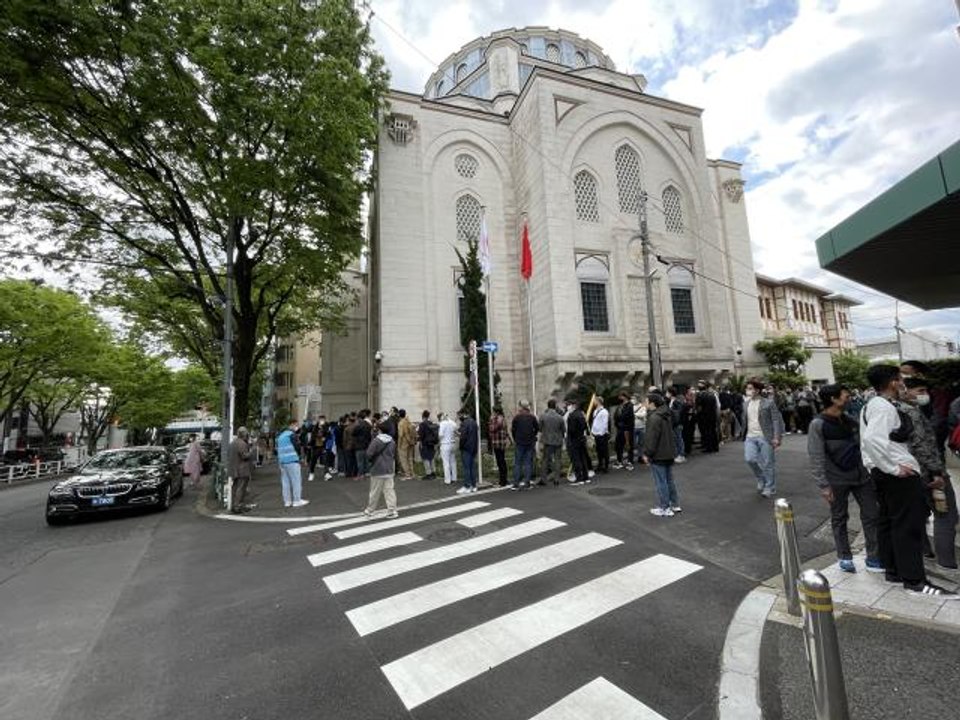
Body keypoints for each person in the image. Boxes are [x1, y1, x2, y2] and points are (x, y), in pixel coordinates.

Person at [861, 365, 956, 598]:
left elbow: (869, 443)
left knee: (891, 523)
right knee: (908, 527)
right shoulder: (883, 407)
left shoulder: (874, 405)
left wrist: (881, 467)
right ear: (893, 382)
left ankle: (894, 571)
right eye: (900, 378)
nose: (903, 382)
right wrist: (892, 467)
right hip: (897, 476)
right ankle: (915, 581)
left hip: (885, 474)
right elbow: (872, 440)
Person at [807, 385, 882, 573]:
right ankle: (844, 556)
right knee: (840, 517)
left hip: (861, 476)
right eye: (845, 395)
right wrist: (823, 485)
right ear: (834, 399)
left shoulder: (850, 420)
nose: (849, 397)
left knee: (872, 514)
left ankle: (874, 557)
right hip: (836, 480)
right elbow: (816, 456)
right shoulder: (818, 424)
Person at [900, 377, 958, 572]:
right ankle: (947, 563)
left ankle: (926, 552)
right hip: (930, 474)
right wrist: (936, 472)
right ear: (904, 391)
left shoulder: (898, 411)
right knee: (946, 515)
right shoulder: (912, 414)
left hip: (913, 473)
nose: (924, 395)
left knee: (922, 513)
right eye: (920, 390)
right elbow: (922, 446)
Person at [742, 378, 784, 498]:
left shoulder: (768, 403)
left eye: (750, 388)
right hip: (750, 437)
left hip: (766, 437)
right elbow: (745, 420)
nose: (748, 390)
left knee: (768, 463)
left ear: (757, 390)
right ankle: (761, 478)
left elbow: (776, 420)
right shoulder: (746, 404)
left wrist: (777, 437)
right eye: (747, 388)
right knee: (750, 459)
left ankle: (770, 487)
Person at [642, 393, 680, 517]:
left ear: (652, 403)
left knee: (661, 481)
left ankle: (665, 507)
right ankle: (674, 504)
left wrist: (647, 453)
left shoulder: (654, 417)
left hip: (659, 453)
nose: (645, 403)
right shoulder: (666, 414)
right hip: (669, 451)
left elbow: (651, 438)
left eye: (646, 401)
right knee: (669, 480)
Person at [363, 422, 398, 518]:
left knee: (375, 491)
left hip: (377, 469)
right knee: (389, 490)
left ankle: (370, 510)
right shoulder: (392, 441)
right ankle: (392, 510)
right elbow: (394, 454)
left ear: (380, 430)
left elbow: (369, 454)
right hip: (389, 468)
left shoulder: (376, 441)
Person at [276, 420, 308, 508]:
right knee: (296, 481)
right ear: (292, 425)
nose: (297, 427)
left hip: (282, 462)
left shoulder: (280, 436)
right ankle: (297, 500)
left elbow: (277, 450)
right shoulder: (292, 435)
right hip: (292, 460)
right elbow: (297, 447)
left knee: (285, 482)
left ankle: (287, 501)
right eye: (296, 425)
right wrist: (301, 458)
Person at [510, 399, 539, 490]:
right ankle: (527, 483)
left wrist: (515, 439)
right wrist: (533, 436)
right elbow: (537, 429)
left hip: (519, 442)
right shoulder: (532, 417)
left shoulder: (516, 418)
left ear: (521, 407)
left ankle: (516, 483)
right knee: (528, 463)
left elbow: (513, 430)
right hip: (530, 442)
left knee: (518, 463)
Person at [539, 399, 566, 486]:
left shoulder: (543, 416)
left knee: (545, 460)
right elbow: (563, 430)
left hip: (547, 441)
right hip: (558, 441)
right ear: (555, 406)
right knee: (558, 459)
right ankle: (556, 479)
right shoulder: (560, 417)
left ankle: (543, 479)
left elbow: (539, 428)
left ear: (548, 406)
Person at [228, 427, 253, 513]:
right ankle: (238, 506)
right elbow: (244, 456)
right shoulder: (242, 443)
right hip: (242, 469)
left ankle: (234, 505)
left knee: (235, 488)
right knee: (241, 488)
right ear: (245, 434)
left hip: (234, 469)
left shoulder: (232, 443)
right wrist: (251, 452)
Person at [566, 399, 590, 484]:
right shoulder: (581, 414)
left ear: (574, 405)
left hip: (574, 440)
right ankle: (586, 477)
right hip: (581, 439)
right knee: (583, 458)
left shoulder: (572, 415)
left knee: (576, 459)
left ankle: (579, 478)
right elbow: (585, 426)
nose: (568, 406)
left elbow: (571, 430)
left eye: (570, 405)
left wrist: (570, 439)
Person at [695, 380, 720, 452]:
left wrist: (698, 415)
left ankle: (709, 447)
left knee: (706, 432)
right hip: (712, 416)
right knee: (713, 431)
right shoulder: (712, 395)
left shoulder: (700, 395)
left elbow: (699, 408)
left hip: (704, 417)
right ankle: (715, 447)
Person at [487, 408, 510, 487]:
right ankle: (504, 479)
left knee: (500, 462)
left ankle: (503, 481)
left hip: (497, 443)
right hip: (501, 442)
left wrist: (491, 421)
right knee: (502, 461)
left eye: (493, 411)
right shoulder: (503, 419)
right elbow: (506, 431)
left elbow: (492, 429)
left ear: (496, 412)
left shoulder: (497, 419)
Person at [613, 393, 635, 470]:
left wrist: (619, 418)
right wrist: (617, 422)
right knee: (618, 445)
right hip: (620, 428)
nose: (619, 398)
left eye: (620, 396)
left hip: (628, 429)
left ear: (624, 397)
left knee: (629, 445)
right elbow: (616, 416)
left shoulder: (630, 405)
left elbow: (625, 416)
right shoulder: (620, 405)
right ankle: (619, 461)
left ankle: (630, 462)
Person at [458, 413, 479, 494]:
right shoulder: (474, 422)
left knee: (466, 468)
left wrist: (461, 445)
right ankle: (474, 486)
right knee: (472, 467)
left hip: (466, 448)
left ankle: (467, 486)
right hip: (473, 447)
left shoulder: (465, 423)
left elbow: (463, 436)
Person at [590, 397, 610, 473]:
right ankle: (600, 465)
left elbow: (605, 424)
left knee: (604, 451)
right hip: (596, 434)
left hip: (602, 434)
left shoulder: (604, 412)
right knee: (599, 451)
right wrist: (593, 432)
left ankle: (606, 466)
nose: (594, 402)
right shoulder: (595, 411)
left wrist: (601, 433)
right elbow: (595, 422)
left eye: (595, 401)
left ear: (598, 402)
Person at [352, 410, 373, 479]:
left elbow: (353, 433)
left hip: (359, 445)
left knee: (360, 461)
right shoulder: (368, 425)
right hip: (367, 444)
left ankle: (360, 474)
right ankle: (367, 472)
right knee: (366, 460)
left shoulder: (358, 425)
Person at [667, 387, 686, 463]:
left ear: (670, 393)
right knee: (676, 439)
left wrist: (679, 423)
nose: (666, 394)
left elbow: (678, 414)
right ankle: (678, 454)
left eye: (667, 392)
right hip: (674, 423)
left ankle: (681, 455)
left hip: (676, 424)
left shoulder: (676, 402)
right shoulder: (671, 401)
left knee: (678, 439)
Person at [396, 409, 417, 480]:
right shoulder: (408, 421)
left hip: (404, 443)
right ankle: (412, 473)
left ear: (399, 415)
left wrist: (399, 444)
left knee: (403, 459)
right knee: (410, 458)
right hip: (411, 442)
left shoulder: (401, 423)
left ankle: (407, 474)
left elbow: (401, 435)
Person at [438, 412, 458, 485]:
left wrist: (439, 442)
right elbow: (456, 430)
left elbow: (440, 435)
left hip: (445, 444)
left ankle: (447, 480)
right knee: (453, 461)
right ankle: (454, 478)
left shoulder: (442, 423)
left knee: (446, 463)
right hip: (453, 444)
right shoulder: (452, 423)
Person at [418, 411, 439, 480]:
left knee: (425, 458)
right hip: (431, 443)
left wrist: (420, 443)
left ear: (423, 416)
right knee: (431, 458)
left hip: (425, 443)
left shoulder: (422, 424)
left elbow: (421, 435)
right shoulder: (431, 423)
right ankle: (433, 473)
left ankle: (428, 474)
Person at [632, 395, 647, 464]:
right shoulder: (631, 406)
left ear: (638, 399)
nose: (633, 400)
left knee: (641, 443)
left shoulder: (642, 406)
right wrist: (638, 414)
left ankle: (640, 457)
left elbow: (643, 415)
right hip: (634, 427)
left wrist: (635, 414)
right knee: (633, 443)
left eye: (634, 398)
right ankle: (632, 457)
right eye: (632, 398)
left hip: (642, 427)